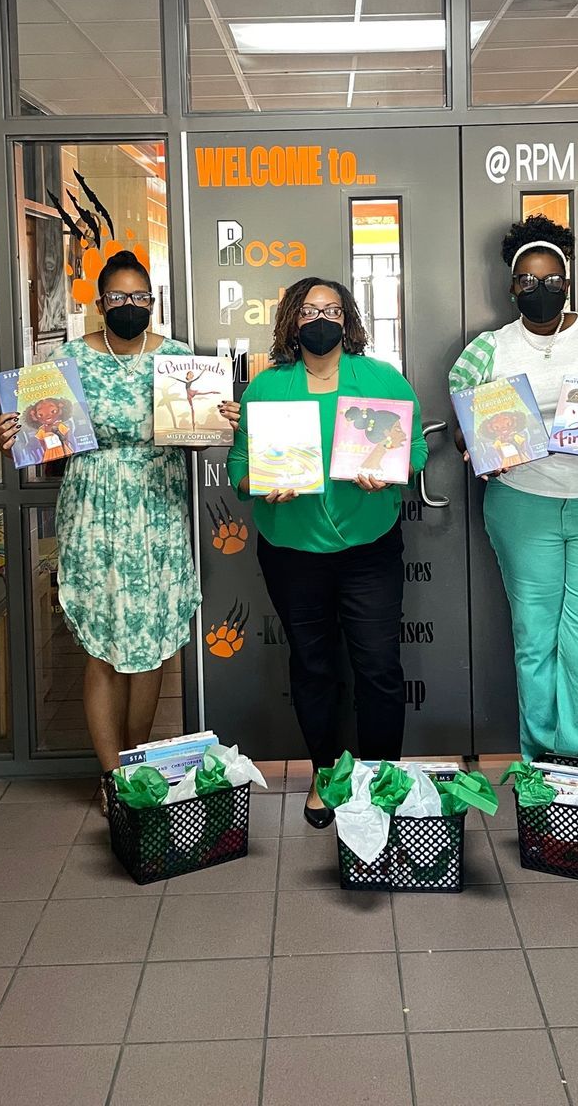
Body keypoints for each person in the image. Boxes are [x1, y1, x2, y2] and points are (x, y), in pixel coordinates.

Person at [0, 249, 239, 812]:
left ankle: (138, 764)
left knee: (150, 650)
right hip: (93, 513)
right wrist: (11, 437)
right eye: (118, 298)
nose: (129, 306)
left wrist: (224, 421)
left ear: (152, 303)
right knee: (103, 651)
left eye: (140, 298)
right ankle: (111, 777)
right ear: (100, 303)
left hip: (158, 512)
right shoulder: (67, 362)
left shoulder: (180, 360)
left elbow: (197, 434)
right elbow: (39, 438)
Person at [449, 215, 578, 764]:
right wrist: (478, 448)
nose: (537, 289)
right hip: (522, 504)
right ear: (511, 285)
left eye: (549, 280)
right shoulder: (488, 349)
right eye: (526, 280)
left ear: (567, 282)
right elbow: (463, 420)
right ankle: (540, 769)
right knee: (535, 640)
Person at [227, 277, 427, 827]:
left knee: (380, 667)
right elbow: (239, 467)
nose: (322, 318)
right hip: (292, 551)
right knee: (314, 667)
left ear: (348, 320)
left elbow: (417, 446)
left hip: (369, 549)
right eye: (311, 309)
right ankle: (326, 774)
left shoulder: (380, 378)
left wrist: (391, 473)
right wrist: (260, 485)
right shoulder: (266, 389)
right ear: (292, 319)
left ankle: (384, 780)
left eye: (333, 310)